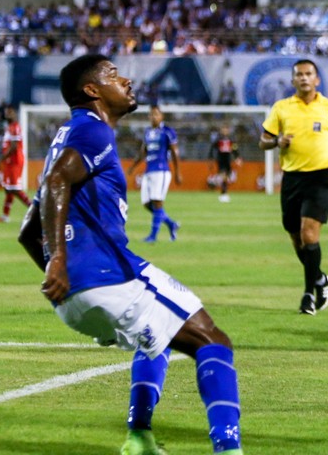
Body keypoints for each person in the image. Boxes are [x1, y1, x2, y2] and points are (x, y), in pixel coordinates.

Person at [21, 53, 243, 455]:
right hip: (107, 276)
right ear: (92, 91)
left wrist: (61, 277)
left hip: (73, 296)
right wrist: (59, 262)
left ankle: (139, 438)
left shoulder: (67, 135)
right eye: (112, 75)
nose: (124, 80)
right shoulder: (92, 131)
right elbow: (57, 181)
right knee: (214, 341)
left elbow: (27, 231)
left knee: (154, 340)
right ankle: (228, 448)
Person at [259, 59, 328, 316]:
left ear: (317, 79)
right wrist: (277, 141)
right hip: (292, 179)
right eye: (299, 74)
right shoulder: (282, 108)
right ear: (293, 80)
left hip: (320, 177)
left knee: (309, 235)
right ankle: (322, 279)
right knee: (296, 237)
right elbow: (263, 141)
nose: (304, 78)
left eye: (309, 74)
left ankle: (309, 294)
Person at [126, 104, 182, 243]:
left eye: (156, 114)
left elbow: (174, 151)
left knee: (157, 202)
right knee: (146, 203)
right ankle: (171, 224)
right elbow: (143, 152)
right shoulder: (147, 132)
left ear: (161, 116)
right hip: (149, 170)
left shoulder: (167, 131)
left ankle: (153, 236)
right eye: (151, 114)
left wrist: (177, 172)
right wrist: (133, 166)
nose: (153, 117)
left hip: (161, 170)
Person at [0, 105, 30, 223]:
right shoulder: (9, 127)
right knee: (8, 189)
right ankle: (5, 216)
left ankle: (35, 210)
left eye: (10, 112)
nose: (7, 114)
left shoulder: (15, 127)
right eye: (6, 112)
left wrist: (1, 159)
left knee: (14, 189)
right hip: (9, 162)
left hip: (15, 161)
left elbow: (14, 147)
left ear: (14, 114)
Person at [209, 124, 241, 203]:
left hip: (228, 159)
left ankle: (224, 192)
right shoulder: (218, 139)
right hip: (221, 159)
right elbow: (212, 148)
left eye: (226, 129)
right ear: (221, 130)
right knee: (223, 175)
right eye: (224, 129)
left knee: (227, 177)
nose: (225, 131)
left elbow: (234, 148)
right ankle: (223, 194)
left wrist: (237, 157)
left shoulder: (231, 139)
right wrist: (211, 158)